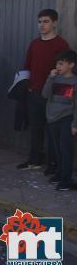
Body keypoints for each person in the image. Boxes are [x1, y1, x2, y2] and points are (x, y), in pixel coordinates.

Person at [17, 9, 70, 172]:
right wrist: (27, 88)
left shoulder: (61, 44)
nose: (42, 25)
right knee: (35, 127)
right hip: (34, 93)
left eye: (46, 21)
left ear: (54, 23)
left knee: (53, 130)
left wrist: (63, 96)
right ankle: (34, 160)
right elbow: (27, 67)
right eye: (40, 21)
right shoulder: (34, 44)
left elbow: (66, 71)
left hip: (54, 95)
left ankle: (54, 164)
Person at [42, 50, 77, 191]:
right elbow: (45, 94)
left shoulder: (75, 81)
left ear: (71, 65)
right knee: (57, 148)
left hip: (66, 119)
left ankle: (66, 179)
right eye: (57, 63)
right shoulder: (55, 79)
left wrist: (75, 124)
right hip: (52, 118)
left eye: (61, 63)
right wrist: (50, 78)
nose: (58, 66)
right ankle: (59, 173)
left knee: (65, 149)